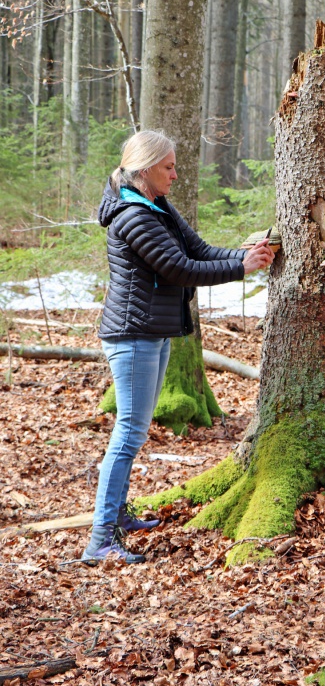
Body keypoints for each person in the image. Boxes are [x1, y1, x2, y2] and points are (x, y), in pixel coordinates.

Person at [82, 130, 274, 564]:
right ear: (145, 169)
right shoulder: (132, 215)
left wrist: (244, 253)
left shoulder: (156, 205)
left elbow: (199, 249)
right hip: (133, 335)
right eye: (168, 167)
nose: (175, 174)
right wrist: (240, 267)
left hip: (152, 332)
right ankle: (100, 539)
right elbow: (178, 268)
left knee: (134, 431)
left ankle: (117, 517)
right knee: (128, 433)